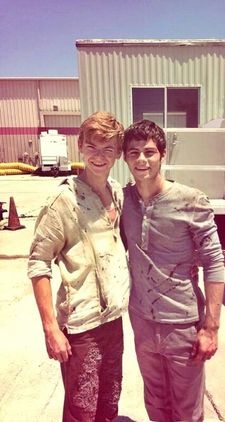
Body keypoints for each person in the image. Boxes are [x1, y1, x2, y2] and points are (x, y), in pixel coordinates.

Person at [28, 111, 130, 422]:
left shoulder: (116, 192)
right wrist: (50, 329)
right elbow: (38, 263)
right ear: (80, 146)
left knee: (109, 403)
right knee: (81, 409)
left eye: (108, 149)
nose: (100, 156)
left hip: (113, 322)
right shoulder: (63, 200)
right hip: (80, 326)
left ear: (118, 153)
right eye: (93, 147)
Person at [120, 119, 225, 422]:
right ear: (125, 158)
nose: (142, 159)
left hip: (182, 325)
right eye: (134, 152)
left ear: (162, 155)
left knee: (187, 411)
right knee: (155, 403)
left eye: (150, 152)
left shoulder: (191, 201)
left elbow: (214, 263)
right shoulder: (123, 200)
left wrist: (211, 327)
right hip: (142, 321)